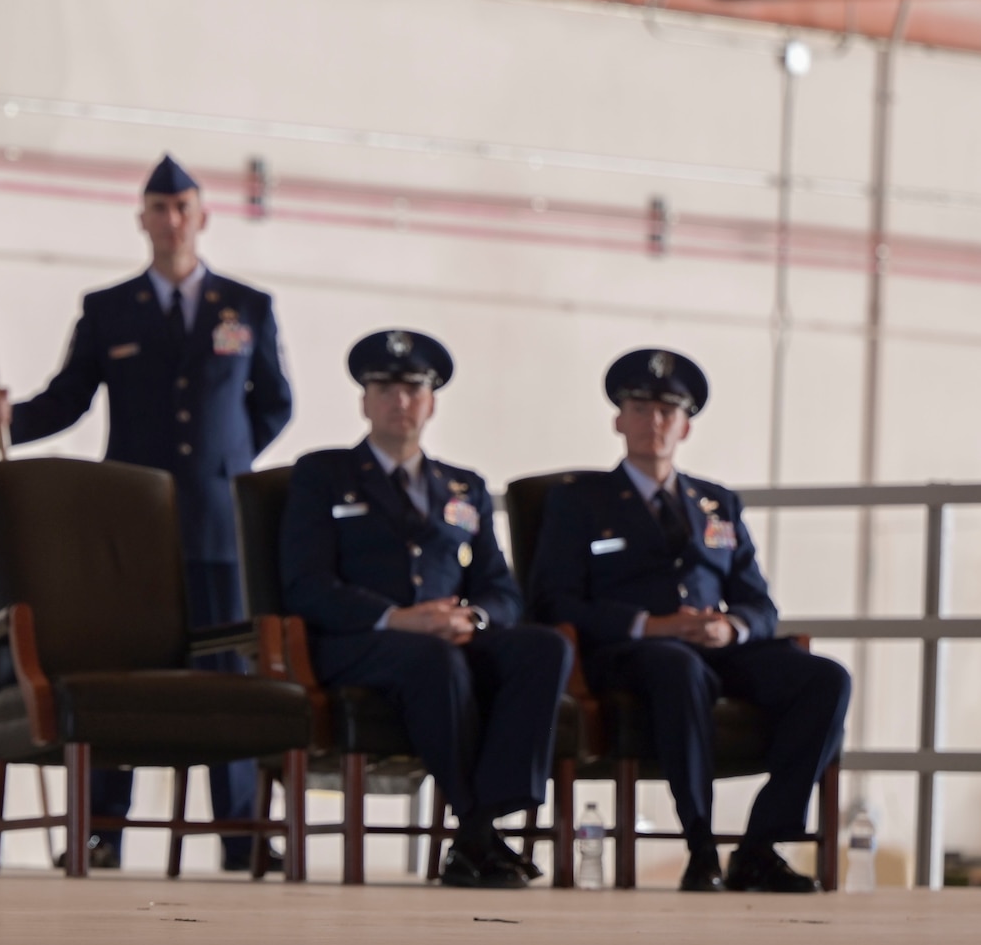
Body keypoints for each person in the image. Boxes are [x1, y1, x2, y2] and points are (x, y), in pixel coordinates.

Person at [0, 155, 292, 871]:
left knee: (229, 676)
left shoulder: (247, 307)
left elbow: (275, 402)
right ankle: (101, 830)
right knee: (122, 668)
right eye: (159, 207)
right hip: (131, 531)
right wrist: (8, 417)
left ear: (202, 215)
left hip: (219, 525)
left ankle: (243, 836)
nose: (172, 219)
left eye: (183, 206)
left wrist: (229, 463)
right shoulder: (109, 308)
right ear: (142, 219)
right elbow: (68, 398)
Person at [530, 348, 851, 893]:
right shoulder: (579, 502)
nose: (653, 422)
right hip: (633, 654)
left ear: (685, 426)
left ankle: (760, 846)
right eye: (640, 408)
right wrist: (650, 626)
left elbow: (759, 604)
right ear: (618, 419)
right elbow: (553, 600)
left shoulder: (716, 503)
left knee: (826, 678)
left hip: (718, 649)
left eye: (667, 411)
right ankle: (700, 844)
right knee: (678, 668)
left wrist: (732, 628)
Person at [277, 330, 572, 889]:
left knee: (543, 647)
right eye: (385, 389)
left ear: (432, 402)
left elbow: (501, 590)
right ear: (364, 401)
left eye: (413, 390)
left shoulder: (464, 487)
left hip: (450, 639)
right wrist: (398, 618)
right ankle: (479, 832)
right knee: (432, 661)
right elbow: (305, 584)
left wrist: (473, 619)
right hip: (358, 643)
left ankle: (482, 827)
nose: (400, 401)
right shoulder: (323, 474)